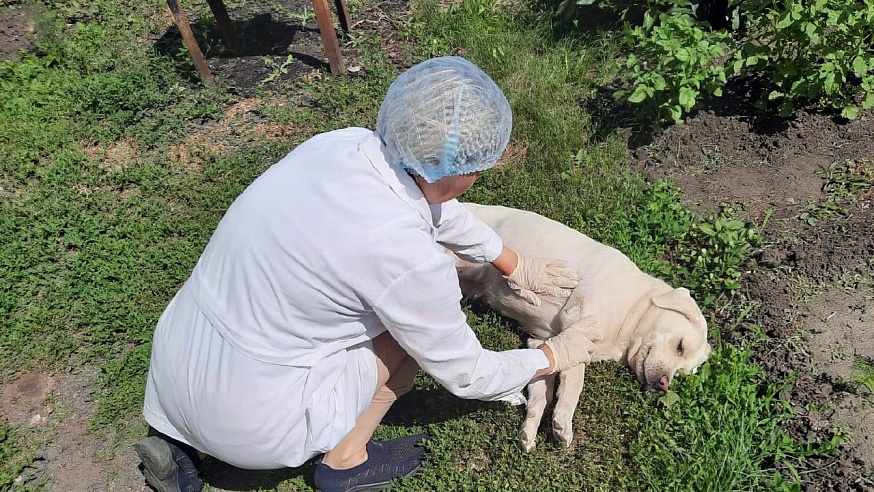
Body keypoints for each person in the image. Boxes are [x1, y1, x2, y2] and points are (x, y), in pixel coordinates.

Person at [134, 56, 592, 492]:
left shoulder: (343, 145)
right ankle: (345, 462)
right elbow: (466, 373)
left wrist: (511, 260)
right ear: (465, 172)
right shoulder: (408, 257)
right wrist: (551, 356)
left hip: (176, 359)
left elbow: (431, 204)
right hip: (252, 423)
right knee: (406, 343)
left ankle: (177, 443)